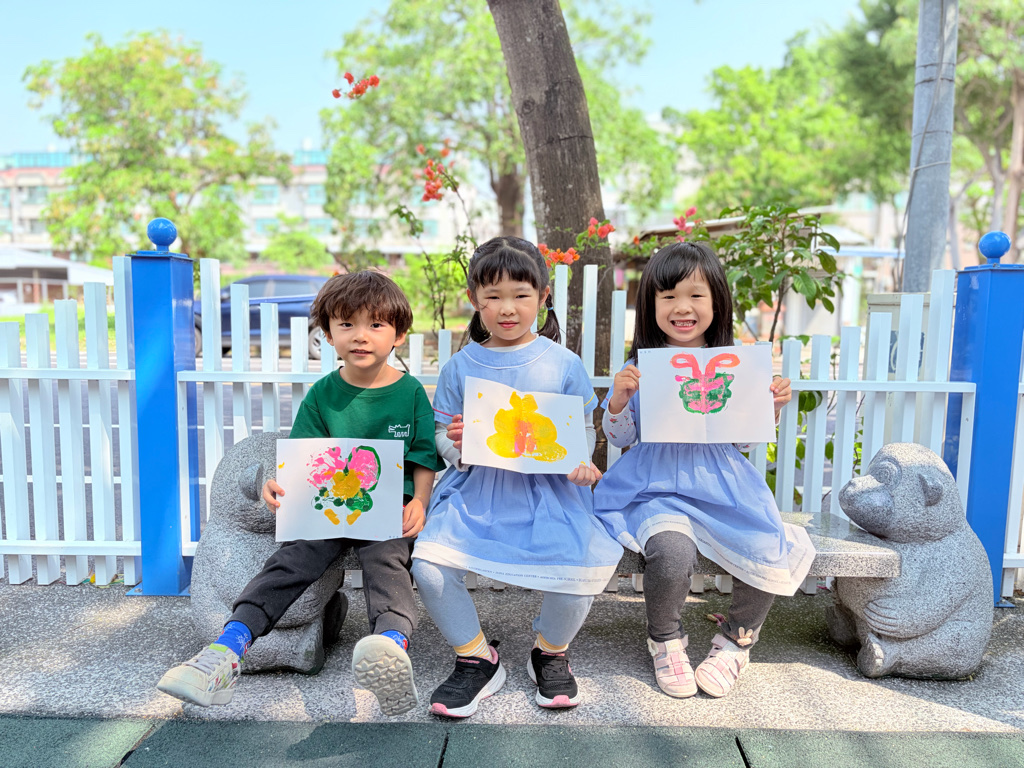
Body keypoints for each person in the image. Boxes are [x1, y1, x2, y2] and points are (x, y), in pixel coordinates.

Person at [157, 271, 445, 715]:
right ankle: (227, 649)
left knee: (387, 564)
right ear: (327, 334)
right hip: (326, 508)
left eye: (375, 324)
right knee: (291, 560)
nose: (360, 336)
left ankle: (390, 646)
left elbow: (424, 457)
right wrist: (277, 485)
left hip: (387, 508)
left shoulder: (410, 393)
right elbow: (304, 458)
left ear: (399, 334)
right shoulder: (322, 394)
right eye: (346, 324)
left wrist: (420, 501)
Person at [411, 237, 623, 718]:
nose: (507, 308)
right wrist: (459, 446)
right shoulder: (461, 366)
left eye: (521, 295)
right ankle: (476, 657)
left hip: (549, 493)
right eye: (493, 296)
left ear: (543, 297)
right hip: (478, 490)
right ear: (474, 300)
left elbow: (579, 430)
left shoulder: (564, 363)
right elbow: (442, 433)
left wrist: (581, 463)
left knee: (579, 567)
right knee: (429, 564)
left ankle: (550, 651)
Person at [594, 241, 814, 699]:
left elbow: (742, 441)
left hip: (722, 486)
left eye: (696, 295)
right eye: (668, 296)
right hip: (655, 486)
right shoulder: (639, 368)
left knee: (765, 544)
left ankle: (736, 641)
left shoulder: (736, 364)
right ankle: (665, 639)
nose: (682, 307)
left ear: (717, 302)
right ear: (650, 305)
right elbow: (619, 436)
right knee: (670, 552)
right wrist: (618, 399)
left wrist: (769, 408)